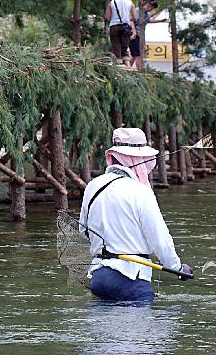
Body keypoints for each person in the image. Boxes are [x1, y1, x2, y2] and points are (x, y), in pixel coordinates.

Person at [79, 127, 192, 303]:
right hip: (130, 279)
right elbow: (160, 238)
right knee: (142, 330)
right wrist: (177, 268)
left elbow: (83, 230)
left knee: (102, 329)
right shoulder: (140, 192)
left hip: (98, 277)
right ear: (135, 159)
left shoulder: (93, 186)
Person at [104, 0, 136, 66]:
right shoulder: (130, 3)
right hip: (126, 28)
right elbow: (134, 17)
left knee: (117, 51)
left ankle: (119, 70)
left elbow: (107, 17)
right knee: (125, 51)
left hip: (114, 27)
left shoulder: (112, 2)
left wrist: (115, 19)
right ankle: (128, 70)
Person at [129, 0, 159, 70]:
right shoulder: (137, 10)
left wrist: (161, 20)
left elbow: (149, 21)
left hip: (140, 36)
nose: (150, 9)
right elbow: (131, 21)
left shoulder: (145, 14)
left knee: (134, 54)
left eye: (151, 9)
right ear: (146, 4)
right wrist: (134, 32)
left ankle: (128, 67)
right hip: (135, 35)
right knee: (137, 54)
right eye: (149, 7)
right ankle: (140, 70)